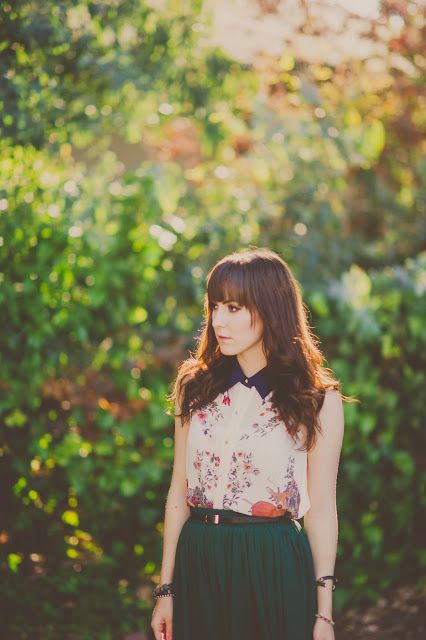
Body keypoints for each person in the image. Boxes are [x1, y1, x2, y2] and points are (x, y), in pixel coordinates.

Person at [151, 247, 346, 640]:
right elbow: (178, 491)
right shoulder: (194, 386)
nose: (218, 320)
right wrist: (166, 590)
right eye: (214, 306)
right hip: (199, 558)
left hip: (272, 561)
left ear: (271, 309)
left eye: (234, 308)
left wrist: (324, 614)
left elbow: (322, 508)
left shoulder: (317, 399)